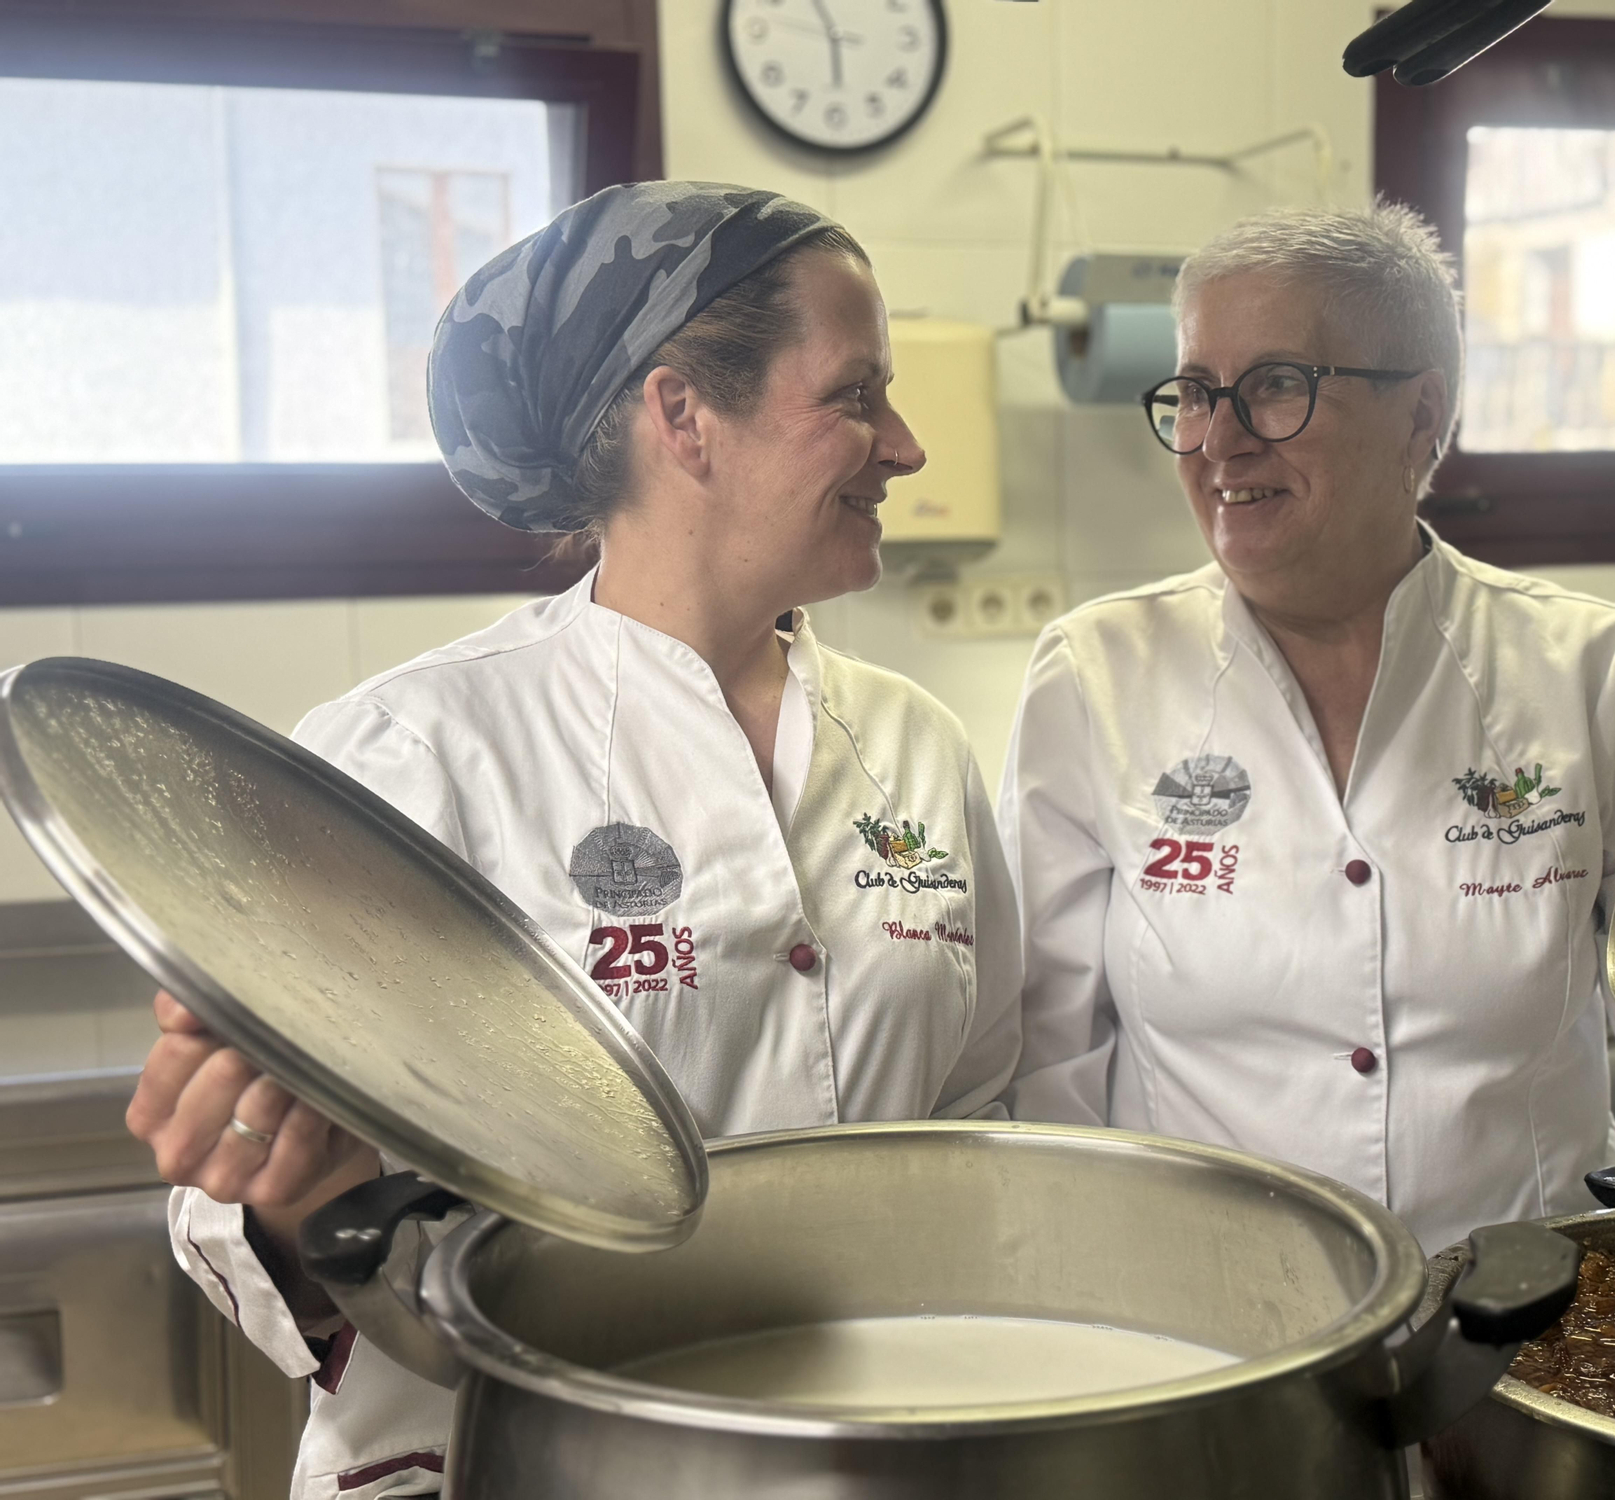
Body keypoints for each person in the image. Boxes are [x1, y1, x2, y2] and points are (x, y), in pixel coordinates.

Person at [125, 181, 1022, 1499]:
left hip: (864, 1460)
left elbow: (981, 1117)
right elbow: (233, 1216)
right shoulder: (416, 752)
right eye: (855, 395)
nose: (905, 446)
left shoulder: (915, 746)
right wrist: (289, 1195)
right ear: (683, 415)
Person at [999, 202, 1615, 1255]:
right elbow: (1047, 1070)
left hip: (1516, 1307)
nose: (1218, 439)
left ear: (1421, 415)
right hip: (1210, 1314)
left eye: (1277, 385)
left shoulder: (1588, 670)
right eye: (1197, 392)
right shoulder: (1096, 675)